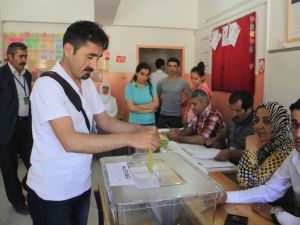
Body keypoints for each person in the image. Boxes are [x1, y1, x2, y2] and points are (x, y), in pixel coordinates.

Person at [26, 21, 160, 225]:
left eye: (97, 58)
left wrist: (142, 129)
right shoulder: (47, 86)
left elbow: (105, 121)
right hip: (53, 191)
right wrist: (132, 138)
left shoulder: (86, 82)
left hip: (80, 183)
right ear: (69, 49)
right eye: (89, 56)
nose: (94, 65)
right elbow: (70, 141)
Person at [218, 99, 300, 225]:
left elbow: (247, 185)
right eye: (295, 124)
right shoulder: (294, 154)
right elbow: (271, 189)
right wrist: (226, 197)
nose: (298, 134)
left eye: (267, 121)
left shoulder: (284, 150)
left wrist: (277, 214)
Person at [0, 42, 33, 215]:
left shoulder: (27, 75)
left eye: (25, 56)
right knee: (9, 168)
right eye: (20, 56)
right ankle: (18, 201)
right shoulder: (1, 75)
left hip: (26, 126)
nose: (24, 60)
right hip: (6, 129)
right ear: (10, 57)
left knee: (36, 162)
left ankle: (27, 184)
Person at [206, 91, 254, 164]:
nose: (234, 114)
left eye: (238, 111)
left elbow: (255, 152)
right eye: (232, 110)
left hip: (244, 167)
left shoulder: (257, 124)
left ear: (249, 108)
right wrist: (215, 140)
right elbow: (226, 131)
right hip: (228, 162)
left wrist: (230, 153)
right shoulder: (234, 119)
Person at [156, 57, 190, 128]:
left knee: (175, 137)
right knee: (161, 137)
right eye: (170, 66)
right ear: (167, 67)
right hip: (162, 115)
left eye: (174, 66)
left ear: (178, 68)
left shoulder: (183, 83)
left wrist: (181, 105)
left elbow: (190, 98)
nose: (172, 68)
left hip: (177, 116)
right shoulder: (161, 82)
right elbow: (157, 98)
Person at [151, 58, 168, 122]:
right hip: (163, 100)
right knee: (162, 119)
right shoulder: (166, 76)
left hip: (152, 100)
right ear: (163, 66)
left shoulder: (151, 75)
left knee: (154, 118)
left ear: (156, 66)